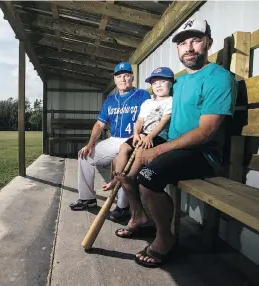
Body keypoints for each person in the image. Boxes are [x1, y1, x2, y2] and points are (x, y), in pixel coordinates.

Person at [113, 19, 237, 268]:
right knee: (125, 166)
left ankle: (164, 237)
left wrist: (158, 149)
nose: (189, 47)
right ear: (178, 50)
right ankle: (139, 217)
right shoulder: (178, 82)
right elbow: (157, 105)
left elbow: (205, 133)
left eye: (196, 40)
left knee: (147, 177)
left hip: (202, 153)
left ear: (208, 43)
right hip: (173, 145)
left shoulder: (219, 79)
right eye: (182, 43)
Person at [69, 62, 151, 222]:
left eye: (126, 75)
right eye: (119, 76)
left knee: (123, 167)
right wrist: (90, 143)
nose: (123, 79)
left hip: (132, 140)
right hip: (114, 139)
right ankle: (87, 198)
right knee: (85, 156)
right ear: (115, 80)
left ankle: (122, 207)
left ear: (132, 77)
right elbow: (100, 124)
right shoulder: (110, 100)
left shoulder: (142, 95)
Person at [102, 67, 175, 197]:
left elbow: (163, 122)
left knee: (140, 151)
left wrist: (150, 136)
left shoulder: (170, 101)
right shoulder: (147, 102)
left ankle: (130, 176)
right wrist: (136, 134)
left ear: (170, 83)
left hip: (158, 136)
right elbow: (140, 121)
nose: (158, 85)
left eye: (162, 82)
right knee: (123, 147)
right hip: (143, 134)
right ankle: (117, 179)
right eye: (154, 83)